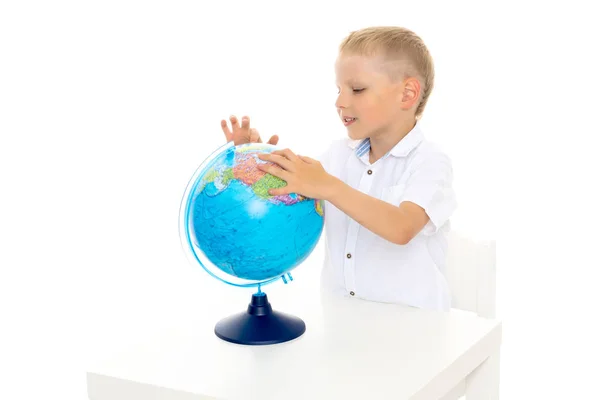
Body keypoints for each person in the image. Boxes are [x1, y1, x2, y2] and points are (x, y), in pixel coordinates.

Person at [220, 26, 457, 311]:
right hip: (343, 322)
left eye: (357, 89)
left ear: (407, 94)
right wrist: (251, 159)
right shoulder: (336, 156)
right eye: (339, 90)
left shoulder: (430, 162)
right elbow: (291, 195)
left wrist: (329, 186)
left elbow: (402, 227)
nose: (340, 102)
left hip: (415, 327)